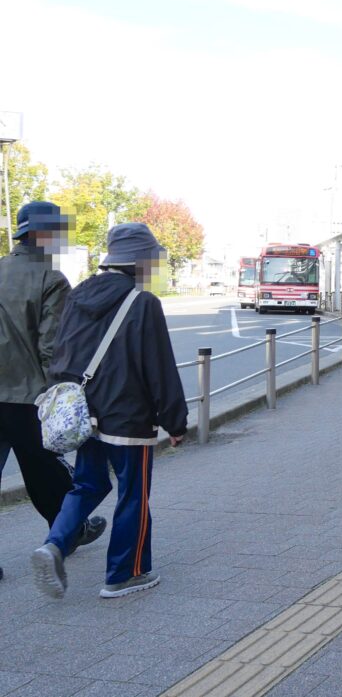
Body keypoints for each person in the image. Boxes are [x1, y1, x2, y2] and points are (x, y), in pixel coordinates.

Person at [32, 223, 188, 600]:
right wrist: (175, 421)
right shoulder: (143, 303)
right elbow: (159, 366)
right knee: (133, 493)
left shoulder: (79, 294)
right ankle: (125, 574)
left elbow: (59, 352)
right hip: (129, 418)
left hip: (86, 414)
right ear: (139, 262)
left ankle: (54, 544)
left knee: (88, 483)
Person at [0, 202, 106, 558]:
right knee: (45, 468)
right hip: (27, 395)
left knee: (40, 469)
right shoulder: (51, 279)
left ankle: (72, 530)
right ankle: (70, 530)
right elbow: (53, 346)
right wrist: (59, 394)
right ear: (42, 235)